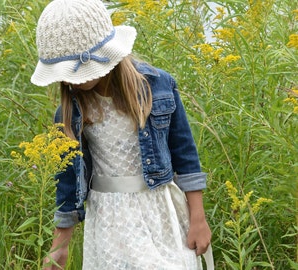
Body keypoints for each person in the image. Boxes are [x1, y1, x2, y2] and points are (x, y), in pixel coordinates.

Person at [31, 0, 213, 269]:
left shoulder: (158, 87)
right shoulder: (72, 111)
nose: (71, 81)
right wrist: (60, 246)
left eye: (76, 71)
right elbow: (68, 180)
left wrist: (198, 218)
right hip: (109, 219)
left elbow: (185, 154)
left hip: (160, 210)